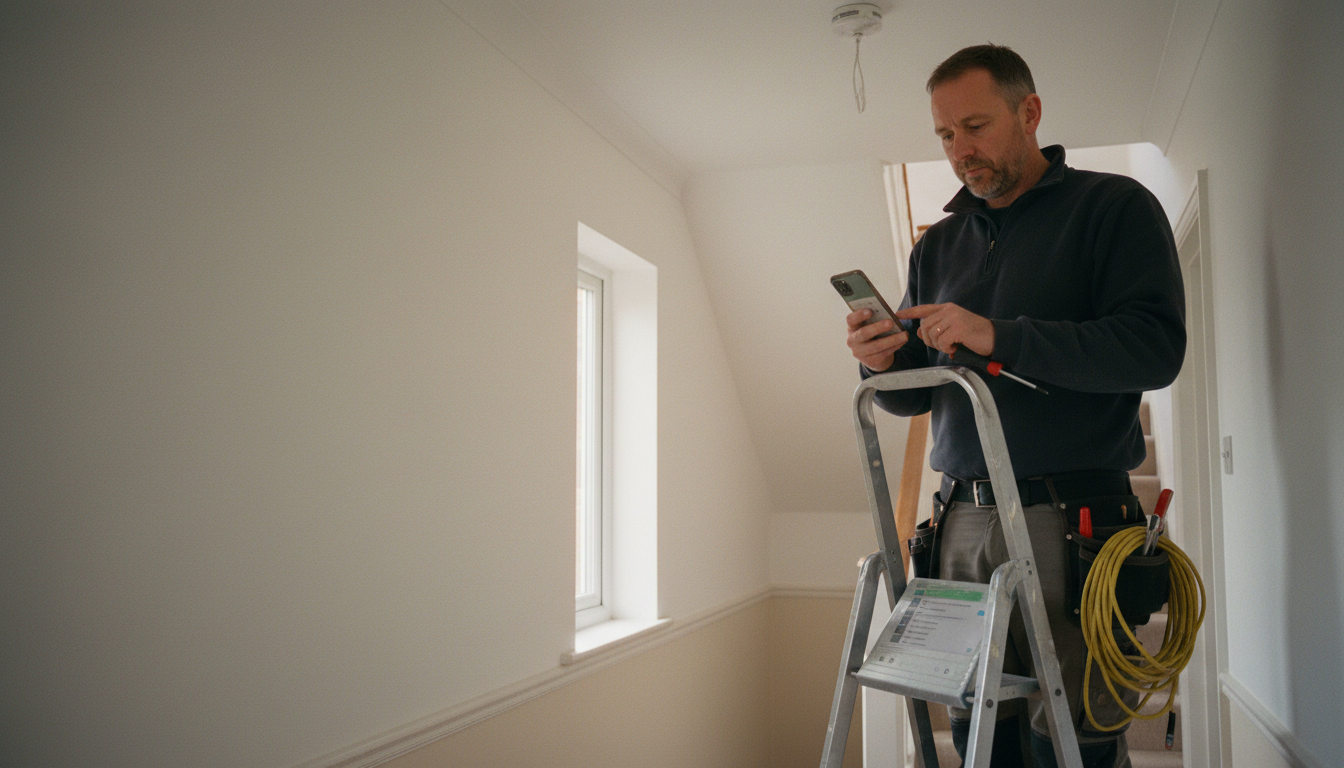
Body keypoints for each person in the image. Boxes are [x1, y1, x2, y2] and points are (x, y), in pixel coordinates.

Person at [845, 45, 1185, 768]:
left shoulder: (1114, 207)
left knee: (1074, 742)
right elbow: (919, 394)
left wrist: (999, 336)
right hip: (959, 522)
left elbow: (1154, 350)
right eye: (945, 134)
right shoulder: (938, 246)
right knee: (978, 736)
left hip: (1073, 522)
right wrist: (883, 360)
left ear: (1029, 113)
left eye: (975, 127)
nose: (959, 151)